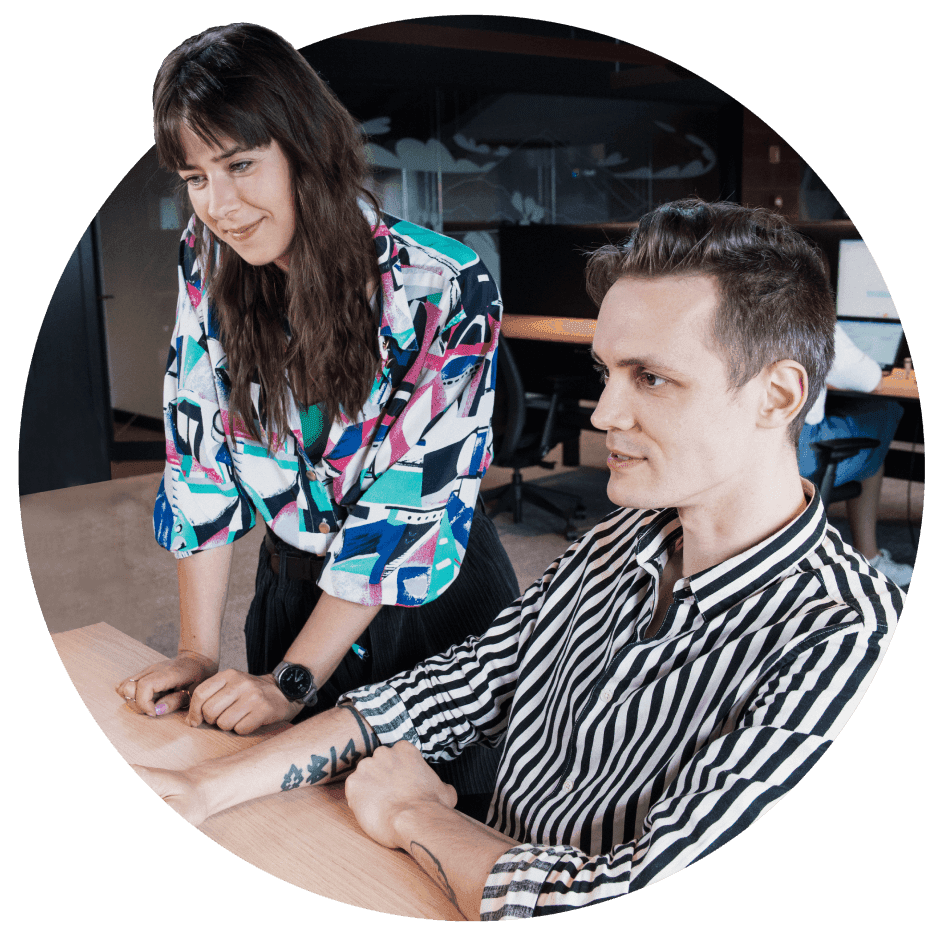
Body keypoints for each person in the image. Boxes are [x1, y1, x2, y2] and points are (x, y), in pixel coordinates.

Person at [136, 200, 904, 920]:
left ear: (778, 396)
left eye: (653, 378)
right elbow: (449, 691)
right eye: (608, 373)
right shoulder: (614, 544)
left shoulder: (850, 642)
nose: (603, 414)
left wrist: (414, 815)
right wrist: (201, 790)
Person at [114, 23, 520, 819]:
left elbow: (402, 514)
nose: (219, 205)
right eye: (195, 176)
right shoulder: (207, 263)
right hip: (293, 591)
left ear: (306, 146)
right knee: (295, 827)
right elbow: (198, 458)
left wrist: (291, 682)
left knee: (438, 824)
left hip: (430, 604)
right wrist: (199, 654)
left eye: (239, 164)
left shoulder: (444, 286)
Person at [797, 322, 912, 586]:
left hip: (735, 455)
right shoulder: (807, 312)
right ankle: (869, 556)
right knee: (884, 411)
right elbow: (868, 378)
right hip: (794, 458)